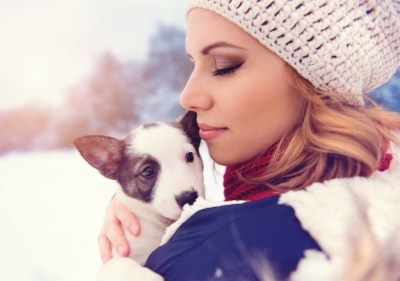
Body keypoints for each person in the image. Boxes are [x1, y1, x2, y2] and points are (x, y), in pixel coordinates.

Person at [100, 0, 400, 280]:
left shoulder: (217, 252)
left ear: (313, 81)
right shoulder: (383, 183)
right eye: (193, 64)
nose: (187, 96)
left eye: (224, 65)